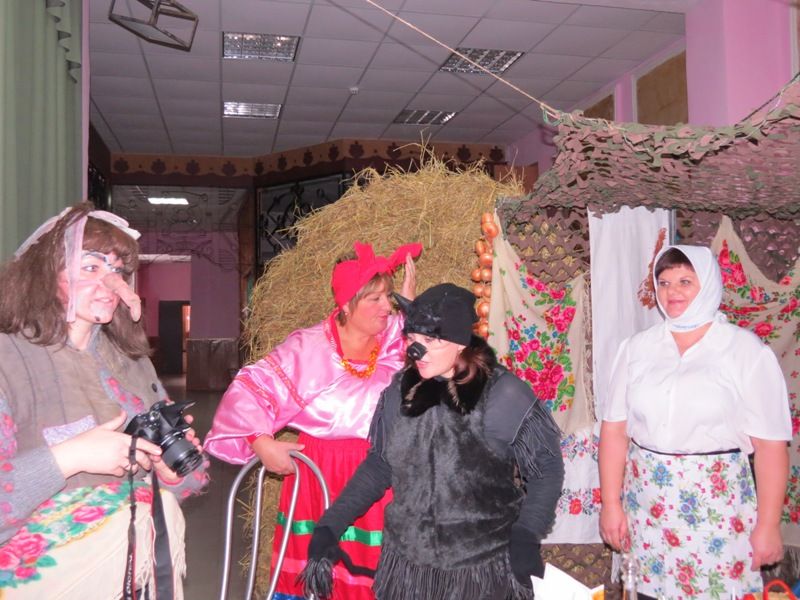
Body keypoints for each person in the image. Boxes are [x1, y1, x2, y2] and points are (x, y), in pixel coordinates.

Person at [302, 283, 564, 600]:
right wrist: (331, 524)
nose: (416, 350)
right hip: (408, 569)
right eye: (412, 338)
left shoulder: (502, 394)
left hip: (481, 573)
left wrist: (526, 535)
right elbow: (381, 465)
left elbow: (546, 468)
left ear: (461, 343)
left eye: (430, 340)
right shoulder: (401, 391)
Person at [0, 203, 209, 598]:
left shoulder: (132, 363)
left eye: (117, 270)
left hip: (135, 576)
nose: (111, 283)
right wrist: (71, 457)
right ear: (43, 274)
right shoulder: (7, 361)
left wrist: (170, 473)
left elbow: (187, 480)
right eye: (91, 266)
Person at [205, 240, 421, 600]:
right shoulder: (307, 350)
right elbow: (249, 389)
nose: (387, 306)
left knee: (378, 578)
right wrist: (261, 441)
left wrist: (412, 313)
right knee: (318, 580)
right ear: (347, 304)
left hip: (380, 477)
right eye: (375, 299)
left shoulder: (395, 341)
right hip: (320, 479)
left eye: (389, 296)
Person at [598, 245, 791, 599]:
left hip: (717, 513)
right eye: (664, 282)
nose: (672, 291)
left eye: (685, 281)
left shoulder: (745, 351)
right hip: (646, 509)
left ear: (709, 284)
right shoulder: (636, 349)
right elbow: (614, 431)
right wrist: (611, 504)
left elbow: (771, 447)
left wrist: (768, 524)